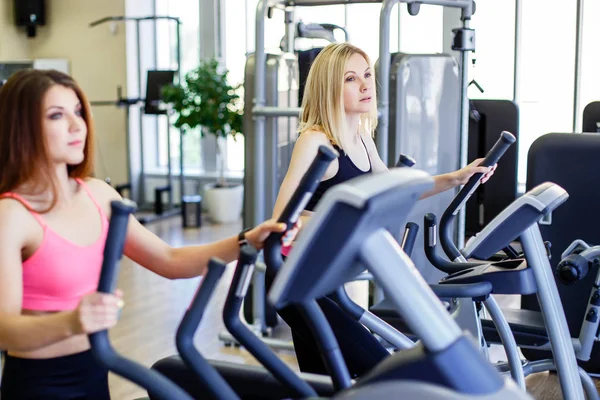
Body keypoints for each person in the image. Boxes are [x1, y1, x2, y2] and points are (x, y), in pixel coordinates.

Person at [0, 69, 292, 400]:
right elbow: (5, 331)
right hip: (38, 386)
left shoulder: (99, 196)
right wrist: (71, 321)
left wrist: (246, 241)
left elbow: (169, 259)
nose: (76, 125)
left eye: (78, 111)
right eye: (57, 115)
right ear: (22, 128)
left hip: (96, 373)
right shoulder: (11, 215)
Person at [269, 43, 497, 377]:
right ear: (329, 87)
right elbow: (281, 220)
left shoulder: (361, 138)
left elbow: (394, 190)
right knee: (377, 365)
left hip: (326, 274)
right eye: (350, 78)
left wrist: (457, 177)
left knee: (327, 380)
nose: (365, 86)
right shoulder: (316, 141)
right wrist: (347, 221)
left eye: (366, 75)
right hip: (295, 277)